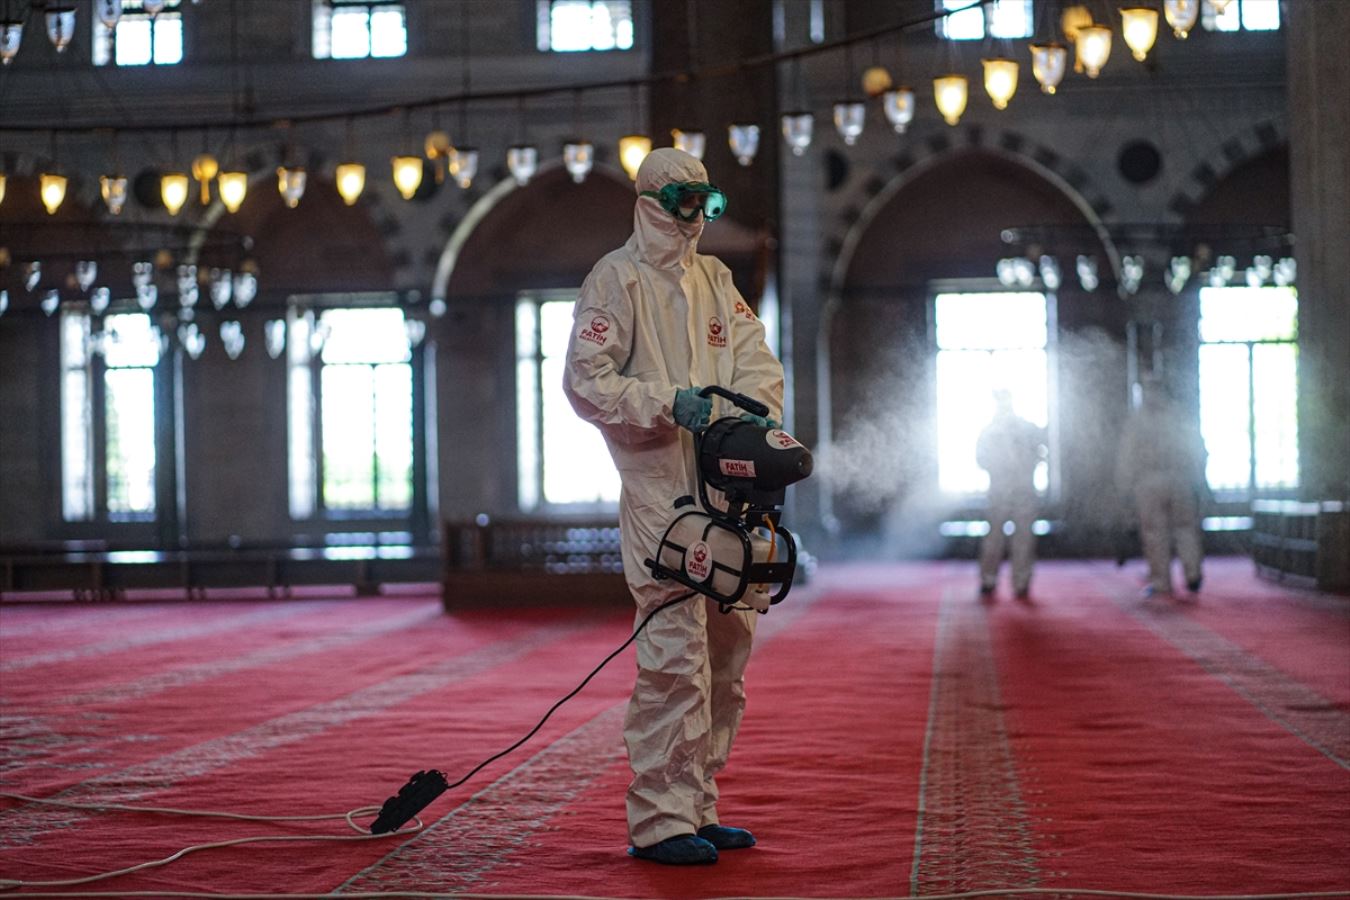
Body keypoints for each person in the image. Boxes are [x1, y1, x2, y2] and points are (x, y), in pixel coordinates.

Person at [562, 148, 784, 866]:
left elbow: (757, 361)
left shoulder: (716, 278)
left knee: (727, 650)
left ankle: (697, 802)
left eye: (705, 203)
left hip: (728, 492)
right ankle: (659, 820)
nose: (696, 218)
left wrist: (754, 427)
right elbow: (585, 382)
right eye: (685, 202)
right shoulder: (614, 279)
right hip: (662, 496)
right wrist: (667, 405)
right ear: (655, 200)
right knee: (672, 657)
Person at [1115, 374, 1208, 598]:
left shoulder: (1137, 421)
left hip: (1149, 482)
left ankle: (1161, 580)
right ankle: (1192, 573)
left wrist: (1124, 487)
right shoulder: (1179, 416)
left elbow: (1127, 457)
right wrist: (1198, 479)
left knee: (1155, 533)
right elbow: (1197, 449)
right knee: (1186, 529)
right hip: (1180, 480)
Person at [975, 389, 1046, 600]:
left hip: (1020, 488)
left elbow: (1040, 453)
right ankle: (993, 579)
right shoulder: (991, 431)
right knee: (996, 535)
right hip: (1003, 487)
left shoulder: (1024, 429)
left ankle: (1018, 581)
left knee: (1021, 536)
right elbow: (981, 459)